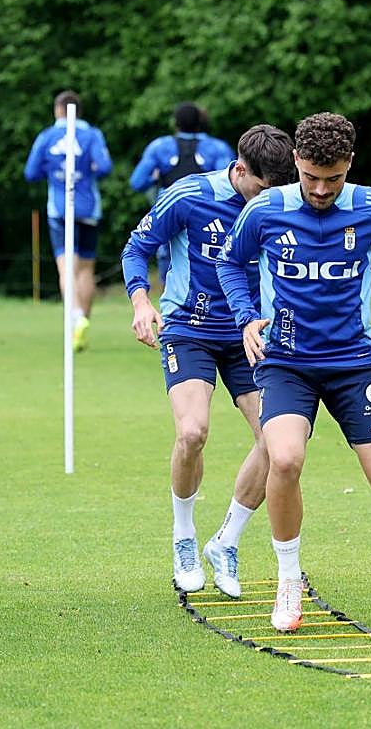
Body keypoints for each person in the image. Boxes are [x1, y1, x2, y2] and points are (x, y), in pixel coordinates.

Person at [217, 112, 371, 632]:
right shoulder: (265, 210)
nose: (321, 190)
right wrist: (245, 319)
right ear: (297, 165)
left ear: (349, 165)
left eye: (333, 178)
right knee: (283, 459)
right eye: (310, 177)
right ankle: (288, 580)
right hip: (286, 362)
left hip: (353, 364)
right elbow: (231, 264)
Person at [121, 124, 295, 597]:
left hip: (253, 336)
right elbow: (137, 246)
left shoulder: (286, 204)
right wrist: (141, 302)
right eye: (261, 189)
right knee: (193, 431)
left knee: (277, 444)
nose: (268, 201)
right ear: (240, 170)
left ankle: (227, 541)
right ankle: (183, 535)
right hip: (190, 328)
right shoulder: (190, 196)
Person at [24, 91, 112, 351]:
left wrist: (52, 171)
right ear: (79, 110)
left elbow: (30, 172)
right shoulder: (92, 134)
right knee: (85, 269)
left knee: (66, 268)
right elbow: (105, 166)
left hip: (60, 209)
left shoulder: (48, 136)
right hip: (89, 208)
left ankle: (74, 317)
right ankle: (82, 324)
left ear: (57, 110)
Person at [130, 102, 238, 284]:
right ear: (200, 122)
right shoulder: (216, 148)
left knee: (168, 256)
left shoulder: (159, 147)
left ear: (175, 123)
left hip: (170, 213)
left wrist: (155, 179)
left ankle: (170, 299)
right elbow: (229, 186)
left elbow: (137, 182)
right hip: (206, 214)